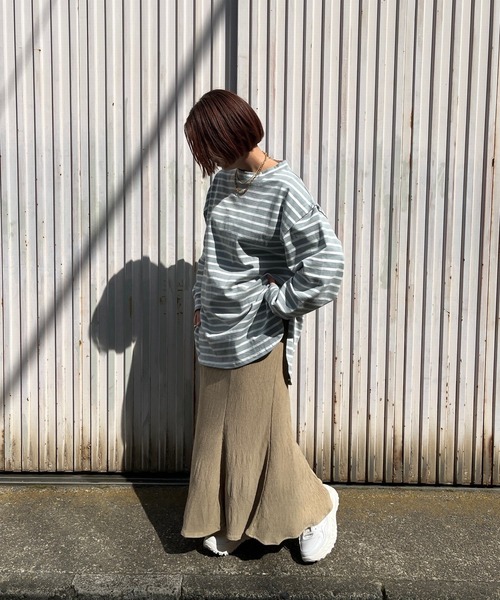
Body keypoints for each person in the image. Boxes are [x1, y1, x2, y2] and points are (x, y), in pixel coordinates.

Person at [181, 89, 344, 563]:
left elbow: (327, 264)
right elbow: (213, 252)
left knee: (259, 434)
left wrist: (278, 301)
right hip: (215, 331)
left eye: (208, 146)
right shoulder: (223, 182)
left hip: (256, 333)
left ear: (230, 135)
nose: (207, 158)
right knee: (222, 435)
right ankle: (236, 520)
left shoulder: (284, 188)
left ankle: (317, 508)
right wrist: (200, 301)